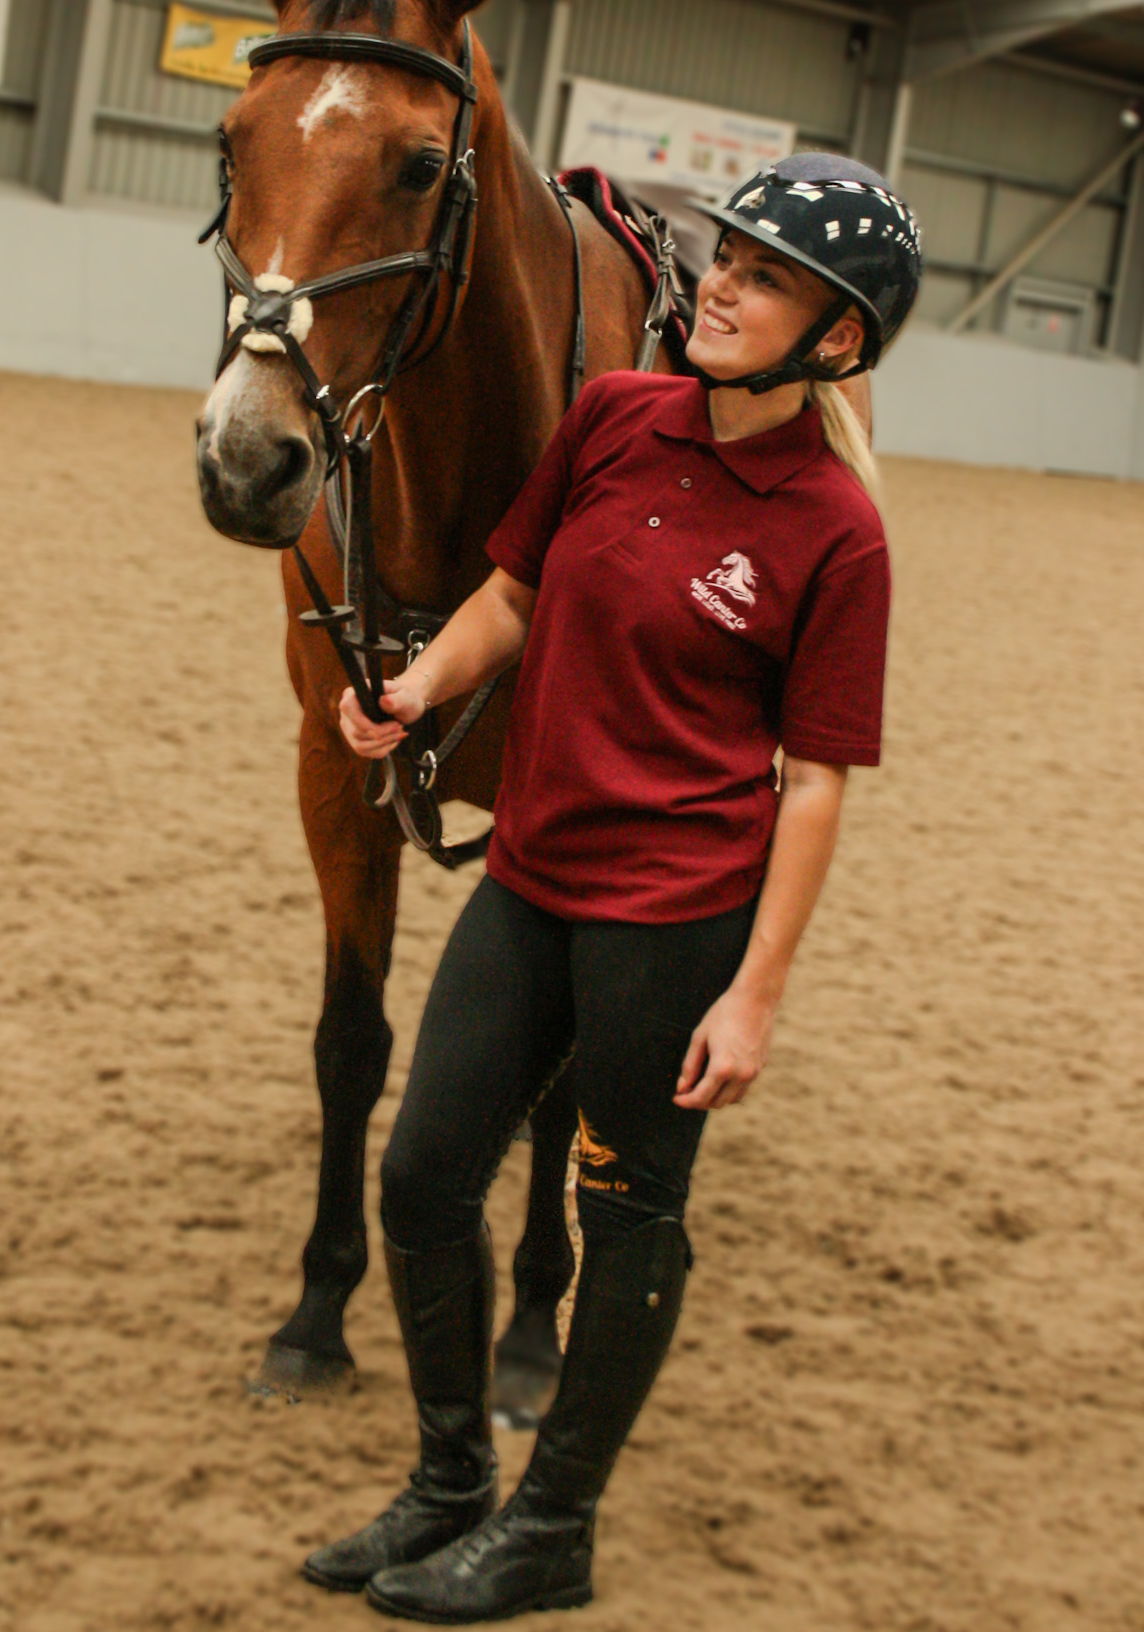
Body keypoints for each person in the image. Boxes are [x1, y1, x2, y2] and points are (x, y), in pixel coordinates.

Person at [300, 153, 922, 1623]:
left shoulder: (837, 530)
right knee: (419, 1176)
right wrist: (413, 687)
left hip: (674, 918)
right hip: (527, 876)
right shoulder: (612, 417)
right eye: (727, 256)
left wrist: (754, 996)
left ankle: (552, 1523)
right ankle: (451, 1483)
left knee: (629, 1208)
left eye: (767, 277)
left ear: (836, 336)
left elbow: (816, 781)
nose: (719, 282)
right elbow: (512, 595)